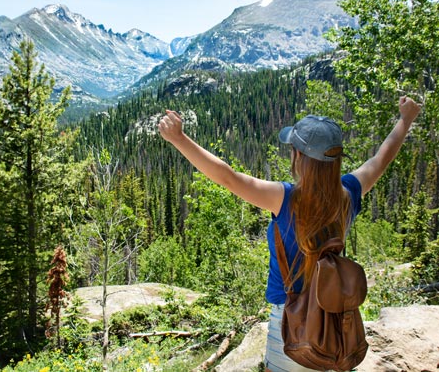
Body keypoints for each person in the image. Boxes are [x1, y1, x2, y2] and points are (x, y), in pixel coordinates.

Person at [158, 95, 421, 372]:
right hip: (336, 320)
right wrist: (405, 120)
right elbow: (380, 160)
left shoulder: (284, 198)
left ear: (298, 156)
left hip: (290, 319)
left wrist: (179, 138)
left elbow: (229, 177)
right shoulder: (349, 194)